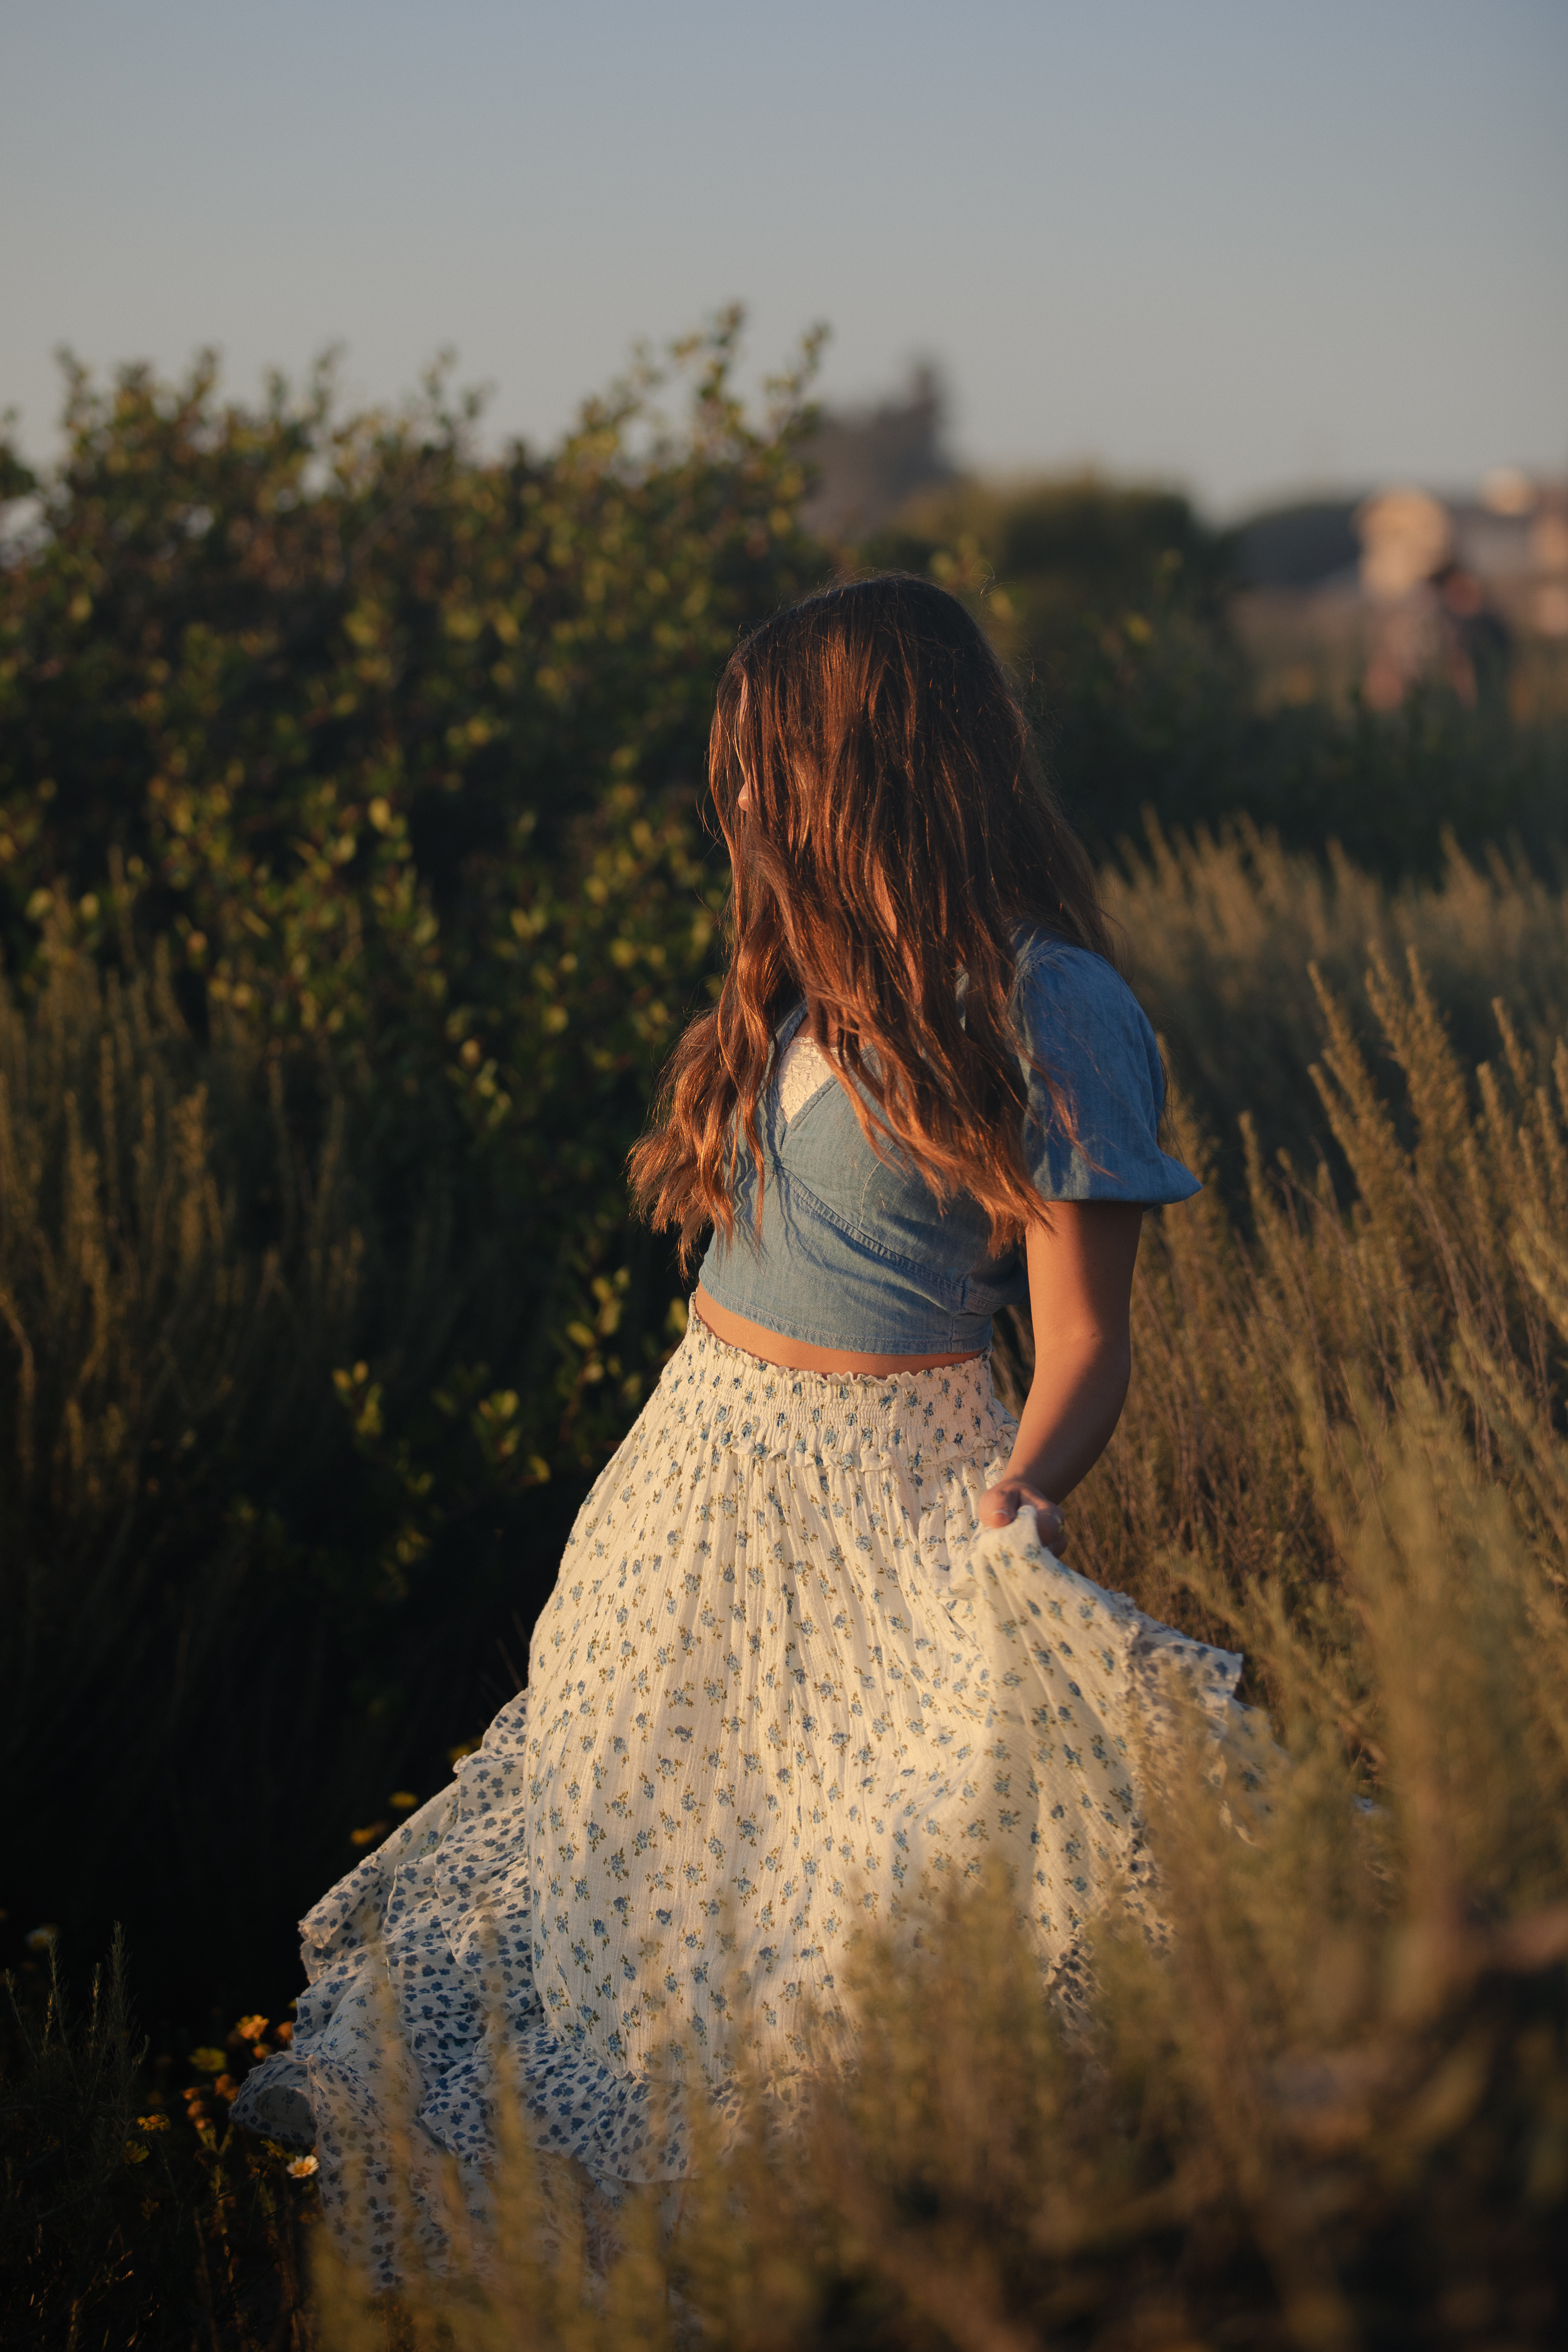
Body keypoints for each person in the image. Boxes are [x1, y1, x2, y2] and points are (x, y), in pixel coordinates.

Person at [235, 575, 1260, 2285]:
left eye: (769, 769)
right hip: (691, 1496)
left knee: (832, 1927)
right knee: (638, 1900)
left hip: (875, 1512)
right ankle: (642, 2274)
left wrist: (1026, 1494)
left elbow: (1087, 1336)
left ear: (867, 768)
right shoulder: (814, 978)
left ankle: (824, 2268)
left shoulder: (1049, 1000)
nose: (747, 807)